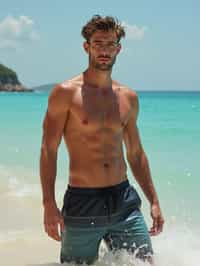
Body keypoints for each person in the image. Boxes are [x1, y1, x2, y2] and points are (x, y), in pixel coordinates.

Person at [40, 15, 164, 265]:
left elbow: (136, 153)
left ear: (118, 49)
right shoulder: (65, 93)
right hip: (82, 203)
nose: (104, 51)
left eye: (110, 44)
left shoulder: (128, 97)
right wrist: (48, 203)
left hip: (124, 201)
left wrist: (154, 201)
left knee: (146, 263)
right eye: (98, 44)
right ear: (86, 47)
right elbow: (48, 150)